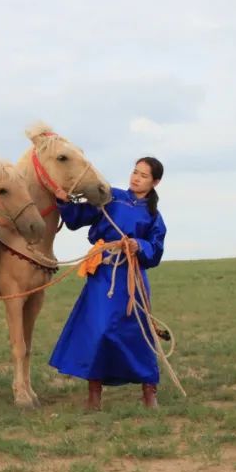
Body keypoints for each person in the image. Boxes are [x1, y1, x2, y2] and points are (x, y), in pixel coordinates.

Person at [49, 157, 167, 410]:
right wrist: (63, 201)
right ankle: (94, 393)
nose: (136, 178)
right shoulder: (110, 197)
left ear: (155, 182)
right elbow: (78, 217)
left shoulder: (153, 215)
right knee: (98, 331)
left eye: (143, 176)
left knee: (138, 333)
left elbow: (156, 250)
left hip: (132, 278)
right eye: (135, 172)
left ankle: (149, 391)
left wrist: (139, 245)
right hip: (102, 277)